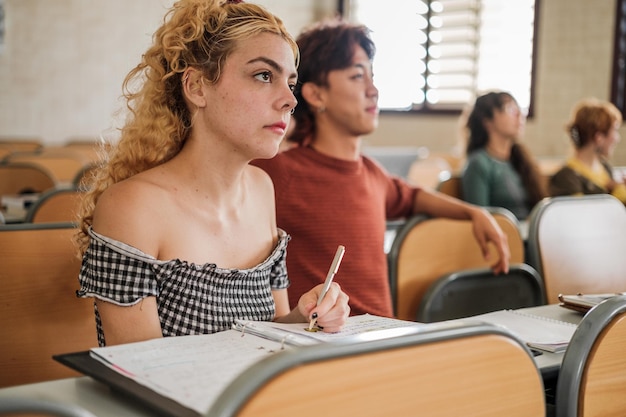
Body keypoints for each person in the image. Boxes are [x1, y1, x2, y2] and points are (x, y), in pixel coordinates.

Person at [74, 0, 349, 347]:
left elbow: (272, 330)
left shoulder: (263, 189)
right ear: (197, 88)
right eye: (264, 76)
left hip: (253, 397)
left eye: (290, 83)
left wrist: (307, 315)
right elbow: (140, 370)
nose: (289, 100)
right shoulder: (131, 207)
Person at [251, 19, 510, 318]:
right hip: (322, 349)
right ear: (316, 94)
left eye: (372, 77)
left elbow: (412, 196)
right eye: (357, 76)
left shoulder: (372, 174)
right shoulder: (278, 172)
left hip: (385, 343)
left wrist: (474, 213)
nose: (373, 90)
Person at [461, 91, 548, 220]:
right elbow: (481, 219)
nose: (519, 115)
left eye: (519, 109)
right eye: (510, 109)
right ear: (488, 122)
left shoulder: (519, 159)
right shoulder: (478, 164)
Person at [549, 97, 626, 203]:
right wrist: (619, 191)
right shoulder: (566, 177)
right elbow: (582, 214)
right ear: (598, 137)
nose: (617, 138)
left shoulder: (605, 168)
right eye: (614, 131)